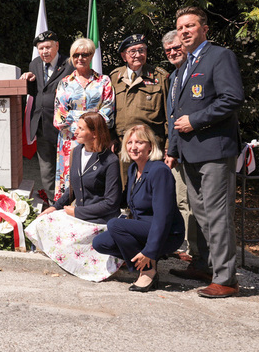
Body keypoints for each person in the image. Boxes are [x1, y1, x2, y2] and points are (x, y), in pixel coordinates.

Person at [166, 6, 244, 298]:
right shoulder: (184, 66)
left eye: (190, 26)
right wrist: (173, 148)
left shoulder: (219, 57)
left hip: (214, 151)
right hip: (189, 153)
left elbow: (233, 97)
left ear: (204, 29)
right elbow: (177, 112)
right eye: (181, 27)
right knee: (201, 214)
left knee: (218, 214)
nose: (185, 31)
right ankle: (209, 266)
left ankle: (226, 279)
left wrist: (196, 121)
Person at [25, 112, 122, 281]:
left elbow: (111, 202)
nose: (75, 131)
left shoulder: (110, 160)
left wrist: (77, 213)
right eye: (76, 127)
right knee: (41, 222)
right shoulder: (77, 152)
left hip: (98, 218)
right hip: (78, 213)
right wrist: (55, 206)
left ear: (95, 134)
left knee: (69, 240)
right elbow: (74, 188)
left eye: (80, 128)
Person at [93, 125, 185, 292]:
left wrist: (150, 250)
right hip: (143, 228)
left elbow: (163, 218)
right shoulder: (133, 169)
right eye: (129, 142)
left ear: (150, 146)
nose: (133, 147)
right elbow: (122, 200)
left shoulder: (159, 171)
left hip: (167, 232)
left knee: (115, 225)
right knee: (100, 243)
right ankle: (141, 258)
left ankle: (148, 268)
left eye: (139, 142)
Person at [53, 38, 115, 201]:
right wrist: (82, 129)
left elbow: (108, 109)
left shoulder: (104, 81)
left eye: (85, 54)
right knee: (71, 179)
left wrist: (89, 130)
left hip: (96, 139)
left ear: (91, 56)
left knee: (94, 178)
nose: (80, 58)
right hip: (71, 140)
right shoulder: (64, 83)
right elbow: (60, 116)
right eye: (76, 55)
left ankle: (94, 212)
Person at [108, 34, 169, 188]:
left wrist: (169, 146)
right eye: (132, 51)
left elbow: (170, 115)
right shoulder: (114, 78)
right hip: (123, 146)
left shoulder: (160, 77)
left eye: (141, 50)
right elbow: (108, 111)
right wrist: (111, 137)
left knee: (151, 188)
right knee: (124, 188)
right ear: (124, 56)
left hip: (152, 146)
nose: (138, 55)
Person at [20, 31, 75, 202]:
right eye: (41, 48)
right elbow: (38, 92)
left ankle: (71, 200)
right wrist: (26, 79)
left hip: (65, 126)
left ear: (56, 46)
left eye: (48, 47)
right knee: (46, 169)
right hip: (42, 124)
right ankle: (53, 202)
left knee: (68, 167)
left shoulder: (69, 64)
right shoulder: (35, 64)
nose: (44, 51)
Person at [161, 30, 199, 263]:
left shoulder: (195, 74)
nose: (173, 53)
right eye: (168, 51)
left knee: (197, 203)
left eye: (176, 48)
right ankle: (186, 247)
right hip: (178, 149)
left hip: (197, 148)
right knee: (182, 200)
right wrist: (171, 149)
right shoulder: (174, 77)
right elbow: (173, 117)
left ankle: (197, 252)